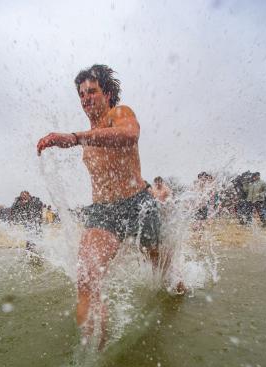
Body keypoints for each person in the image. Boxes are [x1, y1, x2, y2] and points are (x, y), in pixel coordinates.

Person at [37, 64, 183, 349]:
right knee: (86, 277)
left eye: (92, 91)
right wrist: (81, 137)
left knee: (165, 275)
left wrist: (76, 137)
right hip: (104, 212)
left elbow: (130, 135)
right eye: (81, 94)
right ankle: (92, 354)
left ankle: (180, 295)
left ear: (108, 93)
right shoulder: (90, 134)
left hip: (140, 207)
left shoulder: (119, 114)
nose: (85, 98)